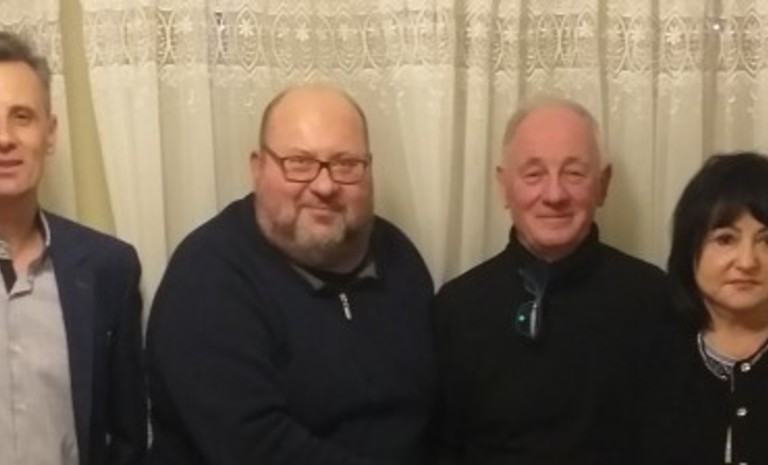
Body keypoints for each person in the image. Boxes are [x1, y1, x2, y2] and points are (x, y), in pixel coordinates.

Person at [145, 85, 436, 465]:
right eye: (299, 162)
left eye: (346, 164)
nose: (325, 186)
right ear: (258, 168)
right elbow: (255, 449)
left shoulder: (398, 257)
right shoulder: (206, 277)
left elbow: (434, 409)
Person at [431, 97, 671, 464]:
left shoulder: (654, 299)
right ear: (504, 186)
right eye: (534, 175)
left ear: (603, 184)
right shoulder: (456, 309)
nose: (554, 195)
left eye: (574, 173)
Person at [0, 31, 146, 465]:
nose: (4, 137)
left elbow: (128, 439)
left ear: (49, 133)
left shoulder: (109, 269)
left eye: (22, 116)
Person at [644, 152, 768, 464]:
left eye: (767, 241)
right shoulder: (648, 357)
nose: (747, 262)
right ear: (690, 248)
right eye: (725, 239)